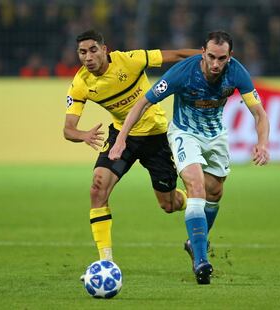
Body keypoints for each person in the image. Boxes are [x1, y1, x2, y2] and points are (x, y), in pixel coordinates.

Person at [109, 30, 270, 285]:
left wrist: (262, 143)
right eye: (212, 57)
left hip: (216, 135)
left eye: (222, 58)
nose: (216, 64)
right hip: (184, 133)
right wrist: (121, 139)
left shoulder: (237, 72)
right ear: (203, 52)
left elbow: (259, 114)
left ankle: (192, 242)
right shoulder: (182, 73)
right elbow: (143, 103)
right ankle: (201, 260)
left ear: (230, 56)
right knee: (196, 186)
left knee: (215, 192)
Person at [63, 29, 201, 268]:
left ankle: (196, 205)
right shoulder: (81, 83)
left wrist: (206, 56)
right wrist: (83, 135)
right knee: (97, 188)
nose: (88, 57)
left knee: (169, 205)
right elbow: (68, 129)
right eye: (82, 52)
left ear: (105, 50)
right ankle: (105, 262)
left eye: (93, 50)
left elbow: (177, 55)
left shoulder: (130, 60)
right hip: (121, 137)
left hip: (156, 135)